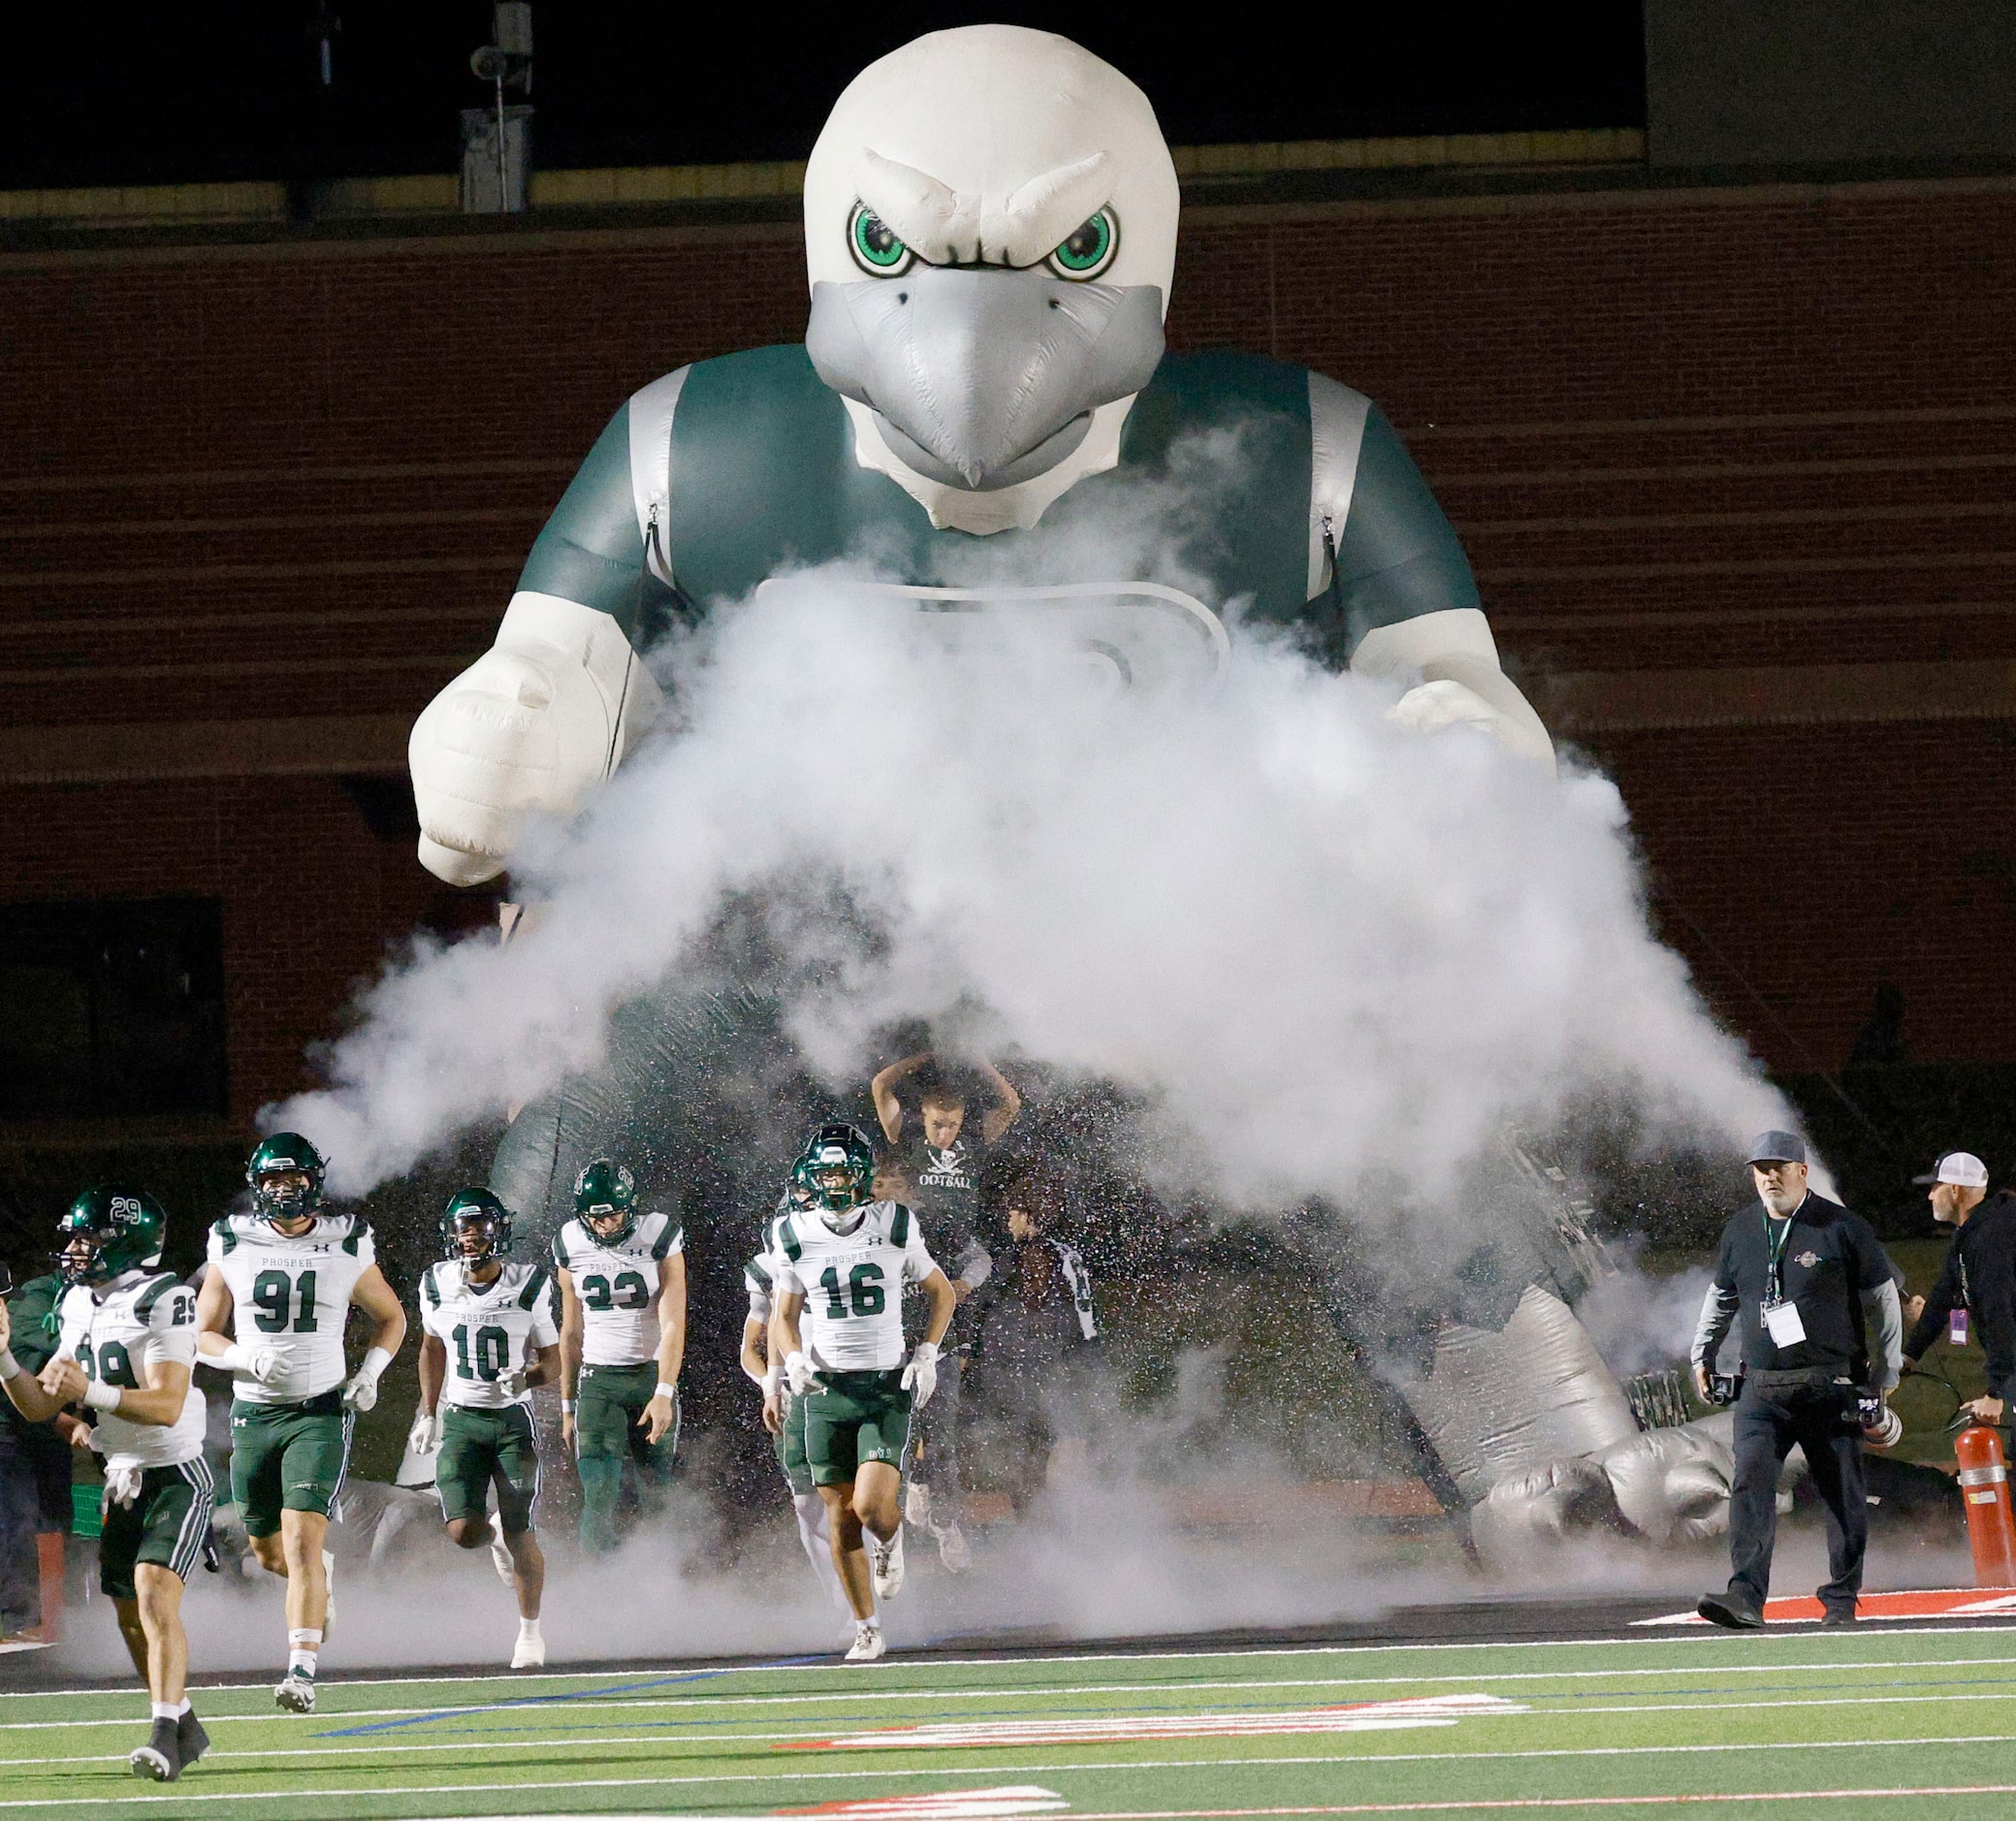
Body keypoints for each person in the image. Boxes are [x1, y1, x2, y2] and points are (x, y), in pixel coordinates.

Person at [0, 1189, 212, 1780]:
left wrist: (88, 1393)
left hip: (175, 1474)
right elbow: (42, 1407)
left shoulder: (164, 1297)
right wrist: (4, 1363)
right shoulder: (77, 1303)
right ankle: (187, 1724)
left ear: (126, 1242)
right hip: (121, 1476)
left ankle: (165, 1734)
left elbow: (168, 1404)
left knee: (152, 1594)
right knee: (128, 1616)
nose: (72, 1249)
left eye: (86, 1238)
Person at [194, 1133, 407, 1713]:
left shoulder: (346, 1241)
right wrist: (245, 1356)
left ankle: (302, 1671)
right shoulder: (232, 1240)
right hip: (255, 1412)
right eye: (273, 1181)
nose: (284, 1191)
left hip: (319, 1411)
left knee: (301, 1540)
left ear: (316, 1183)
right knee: (265, 1552)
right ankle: (319, 1585)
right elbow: (202, 1333)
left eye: (295, 1181)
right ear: (257, 1186)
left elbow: (392, 1317)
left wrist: (370, 1374)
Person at [1690, 1131, 1903, 1629]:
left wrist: (1886, 1373)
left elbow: (1883, 1300)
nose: (1769, 1176)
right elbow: (1721, 1297)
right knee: (1750, 1487)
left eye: (1779, 1167)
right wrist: (1702, 1354)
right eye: (1760, 1168)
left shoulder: (1840, 1226)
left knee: (1841, 1492)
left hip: (1831, 1385)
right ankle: (1744, 1595)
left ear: (1802, 1172)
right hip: (1762, 1387)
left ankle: (1841, 1600)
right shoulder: (1741, 1229)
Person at [770, 1123, 956, 1662]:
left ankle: (892, 1541)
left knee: (872, 1507)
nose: (834, 1181)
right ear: (811, 1175)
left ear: (863, 1176)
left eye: (843, 1170)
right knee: (838, 1515)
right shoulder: (793, 1233)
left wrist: (926, 1355)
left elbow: (940, 1292)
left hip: (882, 1385)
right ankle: (867, 1627)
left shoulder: (894, 1222)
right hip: (825, 1389)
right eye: (825, 1171)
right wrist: (795, 1359)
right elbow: (784, 1316)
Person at [869, 1052, 1018, 1564]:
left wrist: (981, 1059)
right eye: (937, 1125)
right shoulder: (907, 1142)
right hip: (902, 1277)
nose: (944, 1135)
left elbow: (1010, 1102)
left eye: (952, 1126)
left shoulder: (973, 1144)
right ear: (923, 1119)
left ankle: (946, 1516)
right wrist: (926, 1058)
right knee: (897, 1415)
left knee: (944, 1414)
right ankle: (896, 1513)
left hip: (952, 1268)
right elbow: (881, 1084)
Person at [410, 1190, 560, 1670]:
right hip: (461, 1420)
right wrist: (427, 1412)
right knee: (461, 1532)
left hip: (512, 1422)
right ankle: (489, 1533)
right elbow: (431, 1348)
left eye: (479, 1226)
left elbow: (553, 1362)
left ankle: (530, 1634)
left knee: (520, 1524)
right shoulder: (435, 1282)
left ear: (500, 1230)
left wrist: (527, 1377)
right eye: (463, 1228)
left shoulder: (530, 1284)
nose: (470, 1236)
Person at [551, 1159, 686, 1555]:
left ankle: (659, 1593)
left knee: (657, 1498)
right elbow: (571, 1331)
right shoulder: (569, 1243)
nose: (606, 1225)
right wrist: (567, 1405)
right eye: (597, 1219)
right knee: (598, 1499)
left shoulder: (657, 1234)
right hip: (598, 1383)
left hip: (648, 1375)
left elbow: (674, 1321)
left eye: (613, 1215)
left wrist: (663, 1391)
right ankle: (600, 1598)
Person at [740, 1199, 848, 1618]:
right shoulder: (769, 1267)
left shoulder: (848, 1250)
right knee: (806, 1502)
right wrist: (774, 1386)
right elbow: (751, 1346)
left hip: (842, 1379)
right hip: (794, 1391)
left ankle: (864, 1588)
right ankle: (839, 1602)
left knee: (851, 1491)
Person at [966, 1191, 1102, 1512]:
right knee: (1031, 1448)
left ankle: (1060, 1519)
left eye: (1013, 1213)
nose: (1008, 1220)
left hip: (1048, 1365)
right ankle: (1034, 1523)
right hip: (1020, 1367)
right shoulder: (1009, 1258)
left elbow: (1084, 1314)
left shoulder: (1062, 1257)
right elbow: (986, 1309)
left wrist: (1086, 1359)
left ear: (1029, 1216)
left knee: (1059, 1444)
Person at [1903, 1151, 2016, 1425]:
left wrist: (1996, 1393)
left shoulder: (1993, 1237)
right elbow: (1943, 1297)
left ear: (1954, 1189)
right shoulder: (1970, 1233)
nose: (1930, 1196)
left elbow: (1999, 1312)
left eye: (1934, 1186)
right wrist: (1908, 1356)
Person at [0, 1262, 76, 1644]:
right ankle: (14, 1617)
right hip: (7, 1428)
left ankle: (53, 1615)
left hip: (40, 1424)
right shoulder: (31, 1308)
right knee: (17, 1519)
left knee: (56, 1517)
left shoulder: (37, 1298)